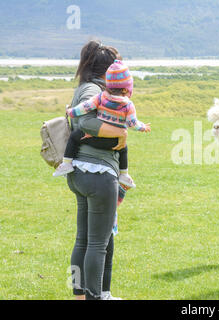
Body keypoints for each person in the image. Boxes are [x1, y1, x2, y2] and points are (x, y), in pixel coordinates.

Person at [66, 40, 133, 300]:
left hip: (81, 173)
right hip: (98, 174)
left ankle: (84, 295)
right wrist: (120, 132)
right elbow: (84, 121)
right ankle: (95, 297)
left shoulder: (85, 86)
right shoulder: (93, 90)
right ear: (108, 70)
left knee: (85, 240)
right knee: (97, 243)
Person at [54, 60, 151, 188]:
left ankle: (66, 163)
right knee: (124, 149)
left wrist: (71, 112)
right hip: (113, 142)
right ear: (126, 89)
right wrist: (143, 127)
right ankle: (124, 174)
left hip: (92, 137)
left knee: (74, 136)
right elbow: (133, 124)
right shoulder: (128, 105)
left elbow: (85, 107)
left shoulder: (100, 97)